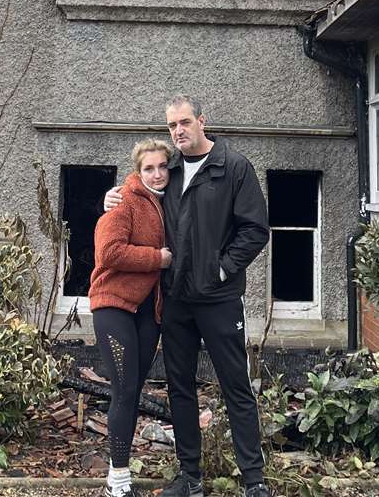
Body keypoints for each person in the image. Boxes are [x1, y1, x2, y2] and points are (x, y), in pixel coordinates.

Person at [107, 95, 271, 497]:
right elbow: (138, 188)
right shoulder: (171, 169)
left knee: (236, 386)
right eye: (171, 126)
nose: (177, 131)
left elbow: (255, 230)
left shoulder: (233, 167)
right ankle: (190, 476)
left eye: (184, 122)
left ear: (202, 121)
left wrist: (220, 267)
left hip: (219, 299)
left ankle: (254, 481)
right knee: (180, 387)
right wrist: (111, 198)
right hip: (176, 300)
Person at [90, 138, 175, 497]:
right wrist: (158, 258)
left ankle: (117, 480)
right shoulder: (124, 200)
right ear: (137, 172)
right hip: (114, 306)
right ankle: (119, 483)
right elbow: (108, 252)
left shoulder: (172, 200)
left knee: (133, 390)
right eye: (148, 168)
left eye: (161, 167)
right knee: (124, 391)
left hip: (148, 311)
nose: (156, 174)